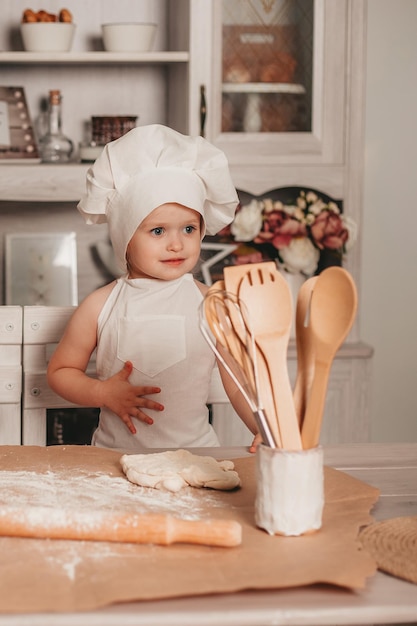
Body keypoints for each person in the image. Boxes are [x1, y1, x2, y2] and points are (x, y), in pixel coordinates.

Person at [47, 124, 261, 452]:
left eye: (189, 228)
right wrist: (101, 393)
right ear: (125, 237)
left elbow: (238, 386)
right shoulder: (101, 305)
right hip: (112, 461)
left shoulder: (211, 303)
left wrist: (261, 426)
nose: (176, 244)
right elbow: (61, 371)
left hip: (196, 456)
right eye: (158, 231)